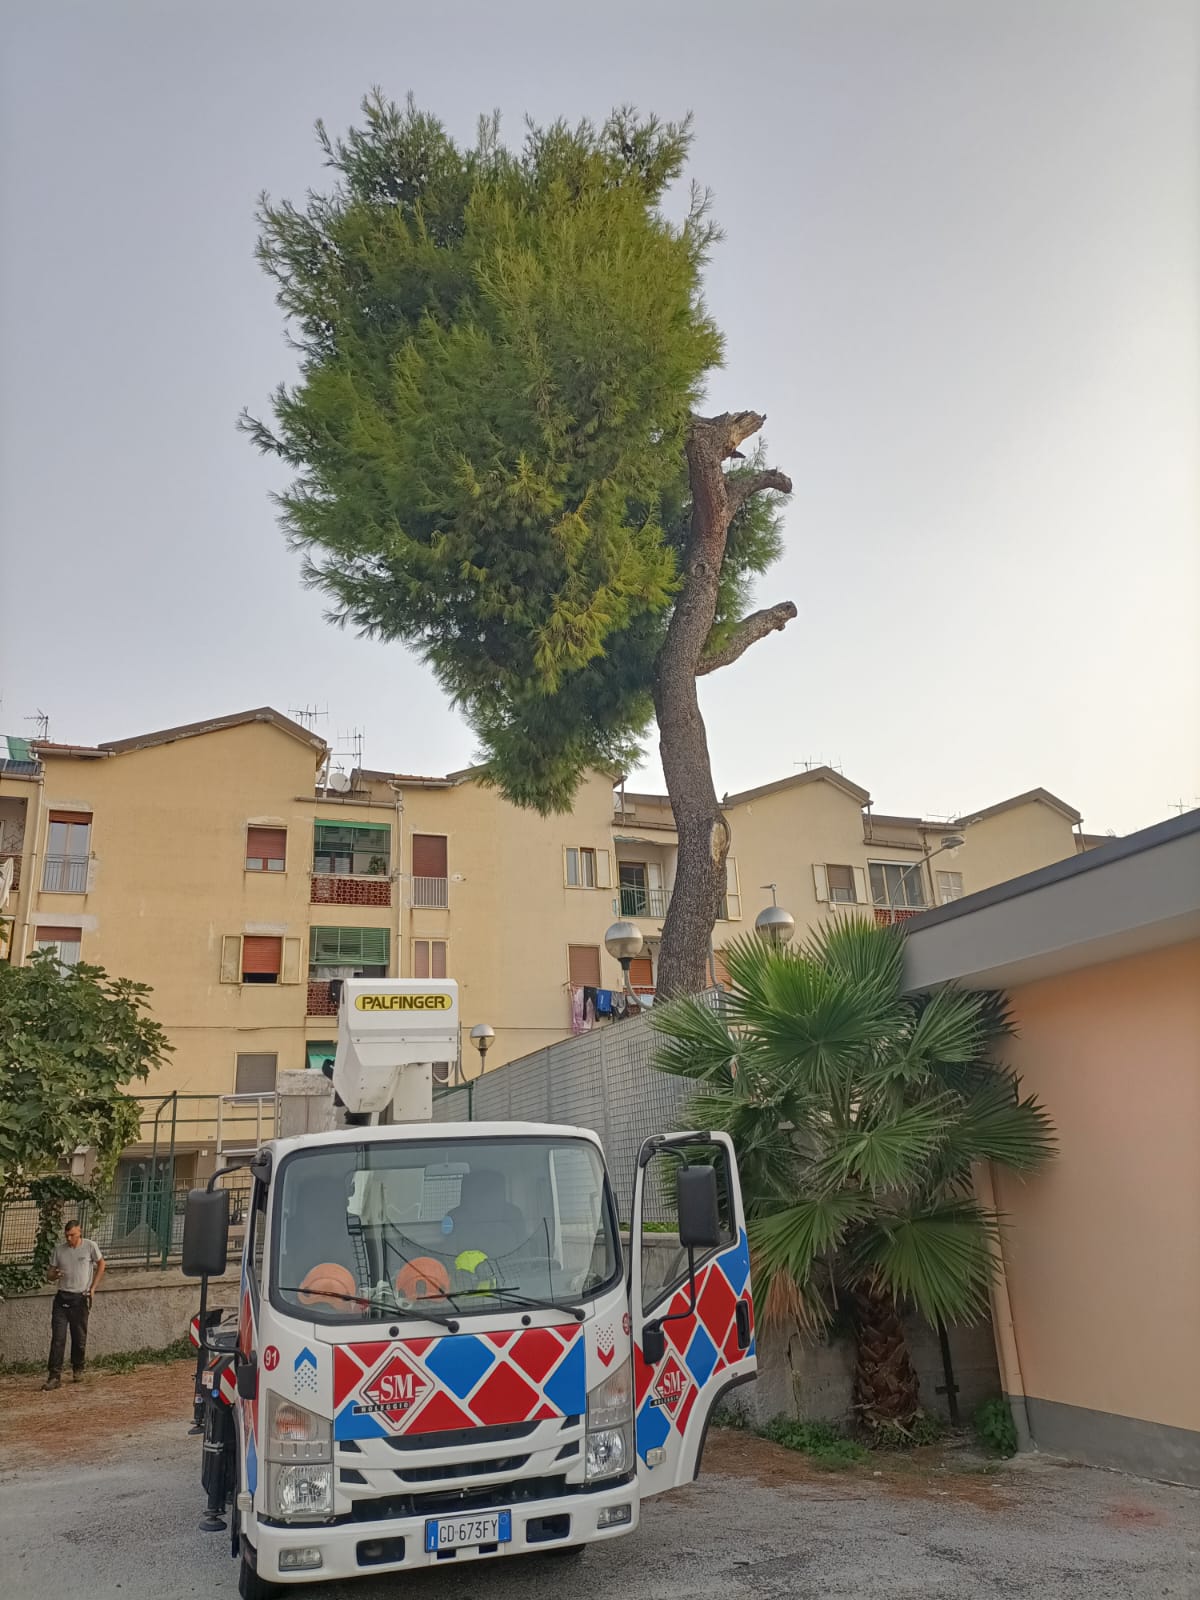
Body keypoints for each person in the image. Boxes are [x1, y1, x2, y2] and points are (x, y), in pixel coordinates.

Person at [42, 1219, 105, 1390]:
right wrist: (54, 1275)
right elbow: (49, 1274)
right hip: (62, 1298)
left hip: (80, 1298)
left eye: (73, 1235)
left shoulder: (90, 1246)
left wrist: (93, 1288)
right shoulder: (59, 1251)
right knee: (58, 1338)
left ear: (80, 1232)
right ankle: (54, 1376)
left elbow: (101, 1264)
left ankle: (78, 1369)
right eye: (67, 1235)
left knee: (79, 1338)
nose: (69, 1238)